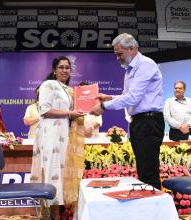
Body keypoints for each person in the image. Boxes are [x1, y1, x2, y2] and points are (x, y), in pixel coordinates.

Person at [90, 33, 165, 190]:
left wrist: (104, 106)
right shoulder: (130, 69)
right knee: (143, 172)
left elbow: (133, 98)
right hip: (140, 122)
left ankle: (154, 213)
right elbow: (128, 96)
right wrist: (109, 97)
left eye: (119, 54)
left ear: (131, 49)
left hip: (149, 122)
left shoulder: (145, 65)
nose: (117, 58)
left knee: (148, 174)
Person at [30, 56, 84, 219]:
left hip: (62, 136)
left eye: (67, 67)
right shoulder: (48, 85)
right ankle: (51, 215)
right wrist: (70, 113)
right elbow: (44, 111)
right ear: (54, 70)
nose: (65, 70)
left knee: (59, 173)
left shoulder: (66, 89)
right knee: (52, 172)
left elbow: (70, 113)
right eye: (61, 67)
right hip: (50, 135)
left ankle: (56, 214)